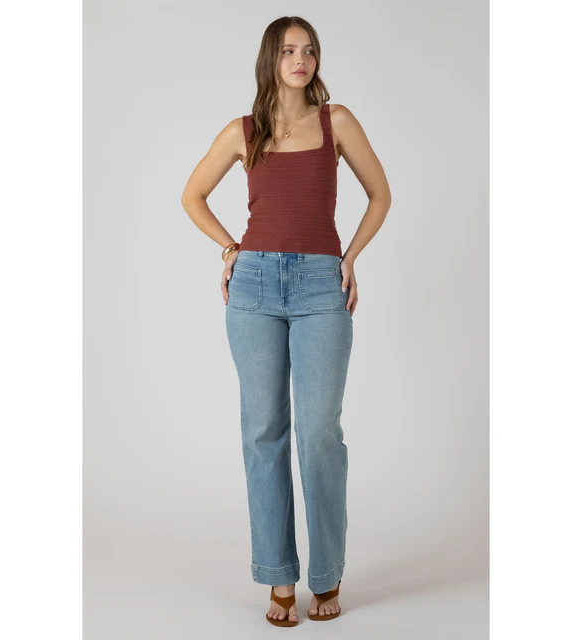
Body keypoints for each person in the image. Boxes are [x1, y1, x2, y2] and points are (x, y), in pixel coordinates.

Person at [181, 16, 391, 627]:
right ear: (270, 59)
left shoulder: (336, 122)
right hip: (253, 287)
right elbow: (192, 195)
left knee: (320, 432)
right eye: (289, 50)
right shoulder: (243, 131)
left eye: (310, 50)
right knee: (264, 432)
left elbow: (380, 194)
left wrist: (349, 258)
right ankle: (278, 576)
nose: (301, 60)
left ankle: (326, 573)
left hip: (322, 284)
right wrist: (231, 249)